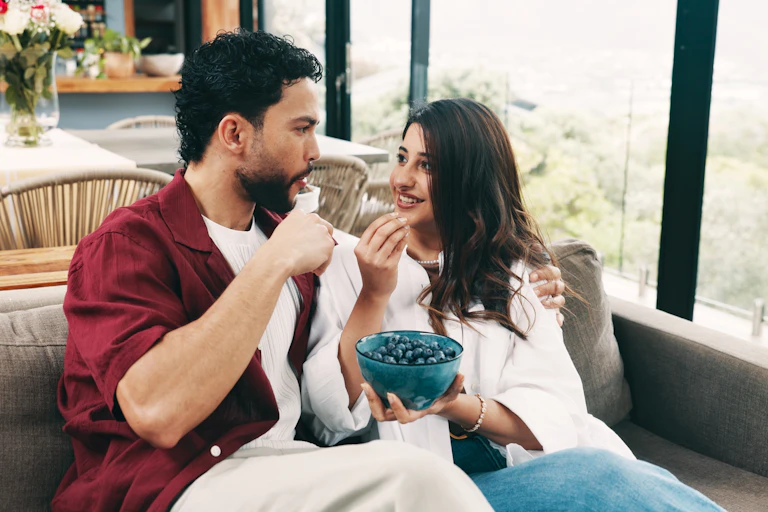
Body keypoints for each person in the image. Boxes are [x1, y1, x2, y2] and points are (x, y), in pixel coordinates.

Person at [52, 30, 496, 512]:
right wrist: (274, 263)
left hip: (289, 469)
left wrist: (523, 275)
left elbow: (396, 266)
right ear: (234, 134)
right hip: (174, 487)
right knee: (416, 478)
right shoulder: (127, 246)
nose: (316, 151)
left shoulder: (286, 237)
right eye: (301, 129)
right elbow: (156, 412)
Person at [303, 98, 725, 511]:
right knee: (602, 477)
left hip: (513, 467)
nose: (402, 179)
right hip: (427, 490)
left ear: (469, 179)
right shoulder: (348, 262)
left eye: (427, 165)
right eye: (402, 157)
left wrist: (452, 405)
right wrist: (374, 293)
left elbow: (556, 413)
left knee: (629, 477)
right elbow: (330, 415)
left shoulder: (517, 272)